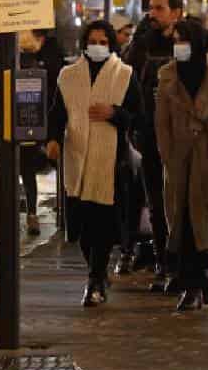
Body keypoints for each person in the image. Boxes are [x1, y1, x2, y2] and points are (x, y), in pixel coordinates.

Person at [45, 21, 142, 307]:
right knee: (83, 226)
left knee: (103, 223)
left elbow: (139, 116)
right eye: (92, 41)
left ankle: (95, 278)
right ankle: (96, 273)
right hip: (76, 159)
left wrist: (115, 113)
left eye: (103, 42)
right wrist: (53, 140)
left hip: (110, 162)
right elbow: (57, 113)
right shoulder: (68, 76)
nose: (97, 46)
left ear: (111, 44)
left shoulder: (124, 75)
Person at [155, 20, 208, 311]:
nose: (179, 46)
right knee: (180, 218)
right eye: (176, 40)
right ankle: (197, 282)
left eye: (184, 41)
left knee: (198, 221)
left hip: (204, 157)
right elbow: (161, 120)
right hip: (178, 157)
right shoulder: (168, 75)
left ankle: (195, 284)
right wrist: (168, 154)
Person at [123, 0, 184, 292]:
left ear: (176, 13)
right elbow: (126, 77)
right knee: (156, 202)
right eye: (150, 8)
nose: (152, 14)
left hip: (182, 138)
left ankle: (181, 264)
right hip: (149, 134)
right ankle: (163, 262)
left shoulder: (187, 41)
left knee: (181, 203)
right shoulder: (143, 43)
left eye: (160, 8)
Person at [16, 28, 65, 235]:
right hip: (28, 117)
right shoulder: (18, 55)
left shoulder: (52, 54)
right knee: (27, 167)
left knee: (57, 163)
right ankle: (32, 213)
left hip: (48, 119)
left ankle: (62, 208)